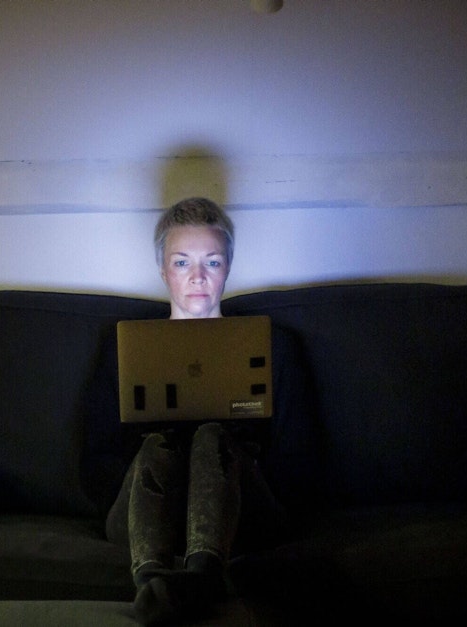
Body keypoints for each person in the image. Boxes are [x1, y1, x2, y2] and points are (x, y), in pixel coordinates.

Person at [105, 197, 287, 625]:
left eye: (213, 262)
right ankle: (153, 580)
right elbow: (98, 458)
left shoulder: (273, 346)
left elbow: (299, 456)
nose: (198, 277)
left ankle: (199, 577)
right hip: (145, 509)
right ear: (163, 270)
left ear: (228, 267)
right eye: (182, 262)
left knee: (211, 436)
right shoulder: (124, 350)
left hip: (242, 512)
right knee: (159, 444)